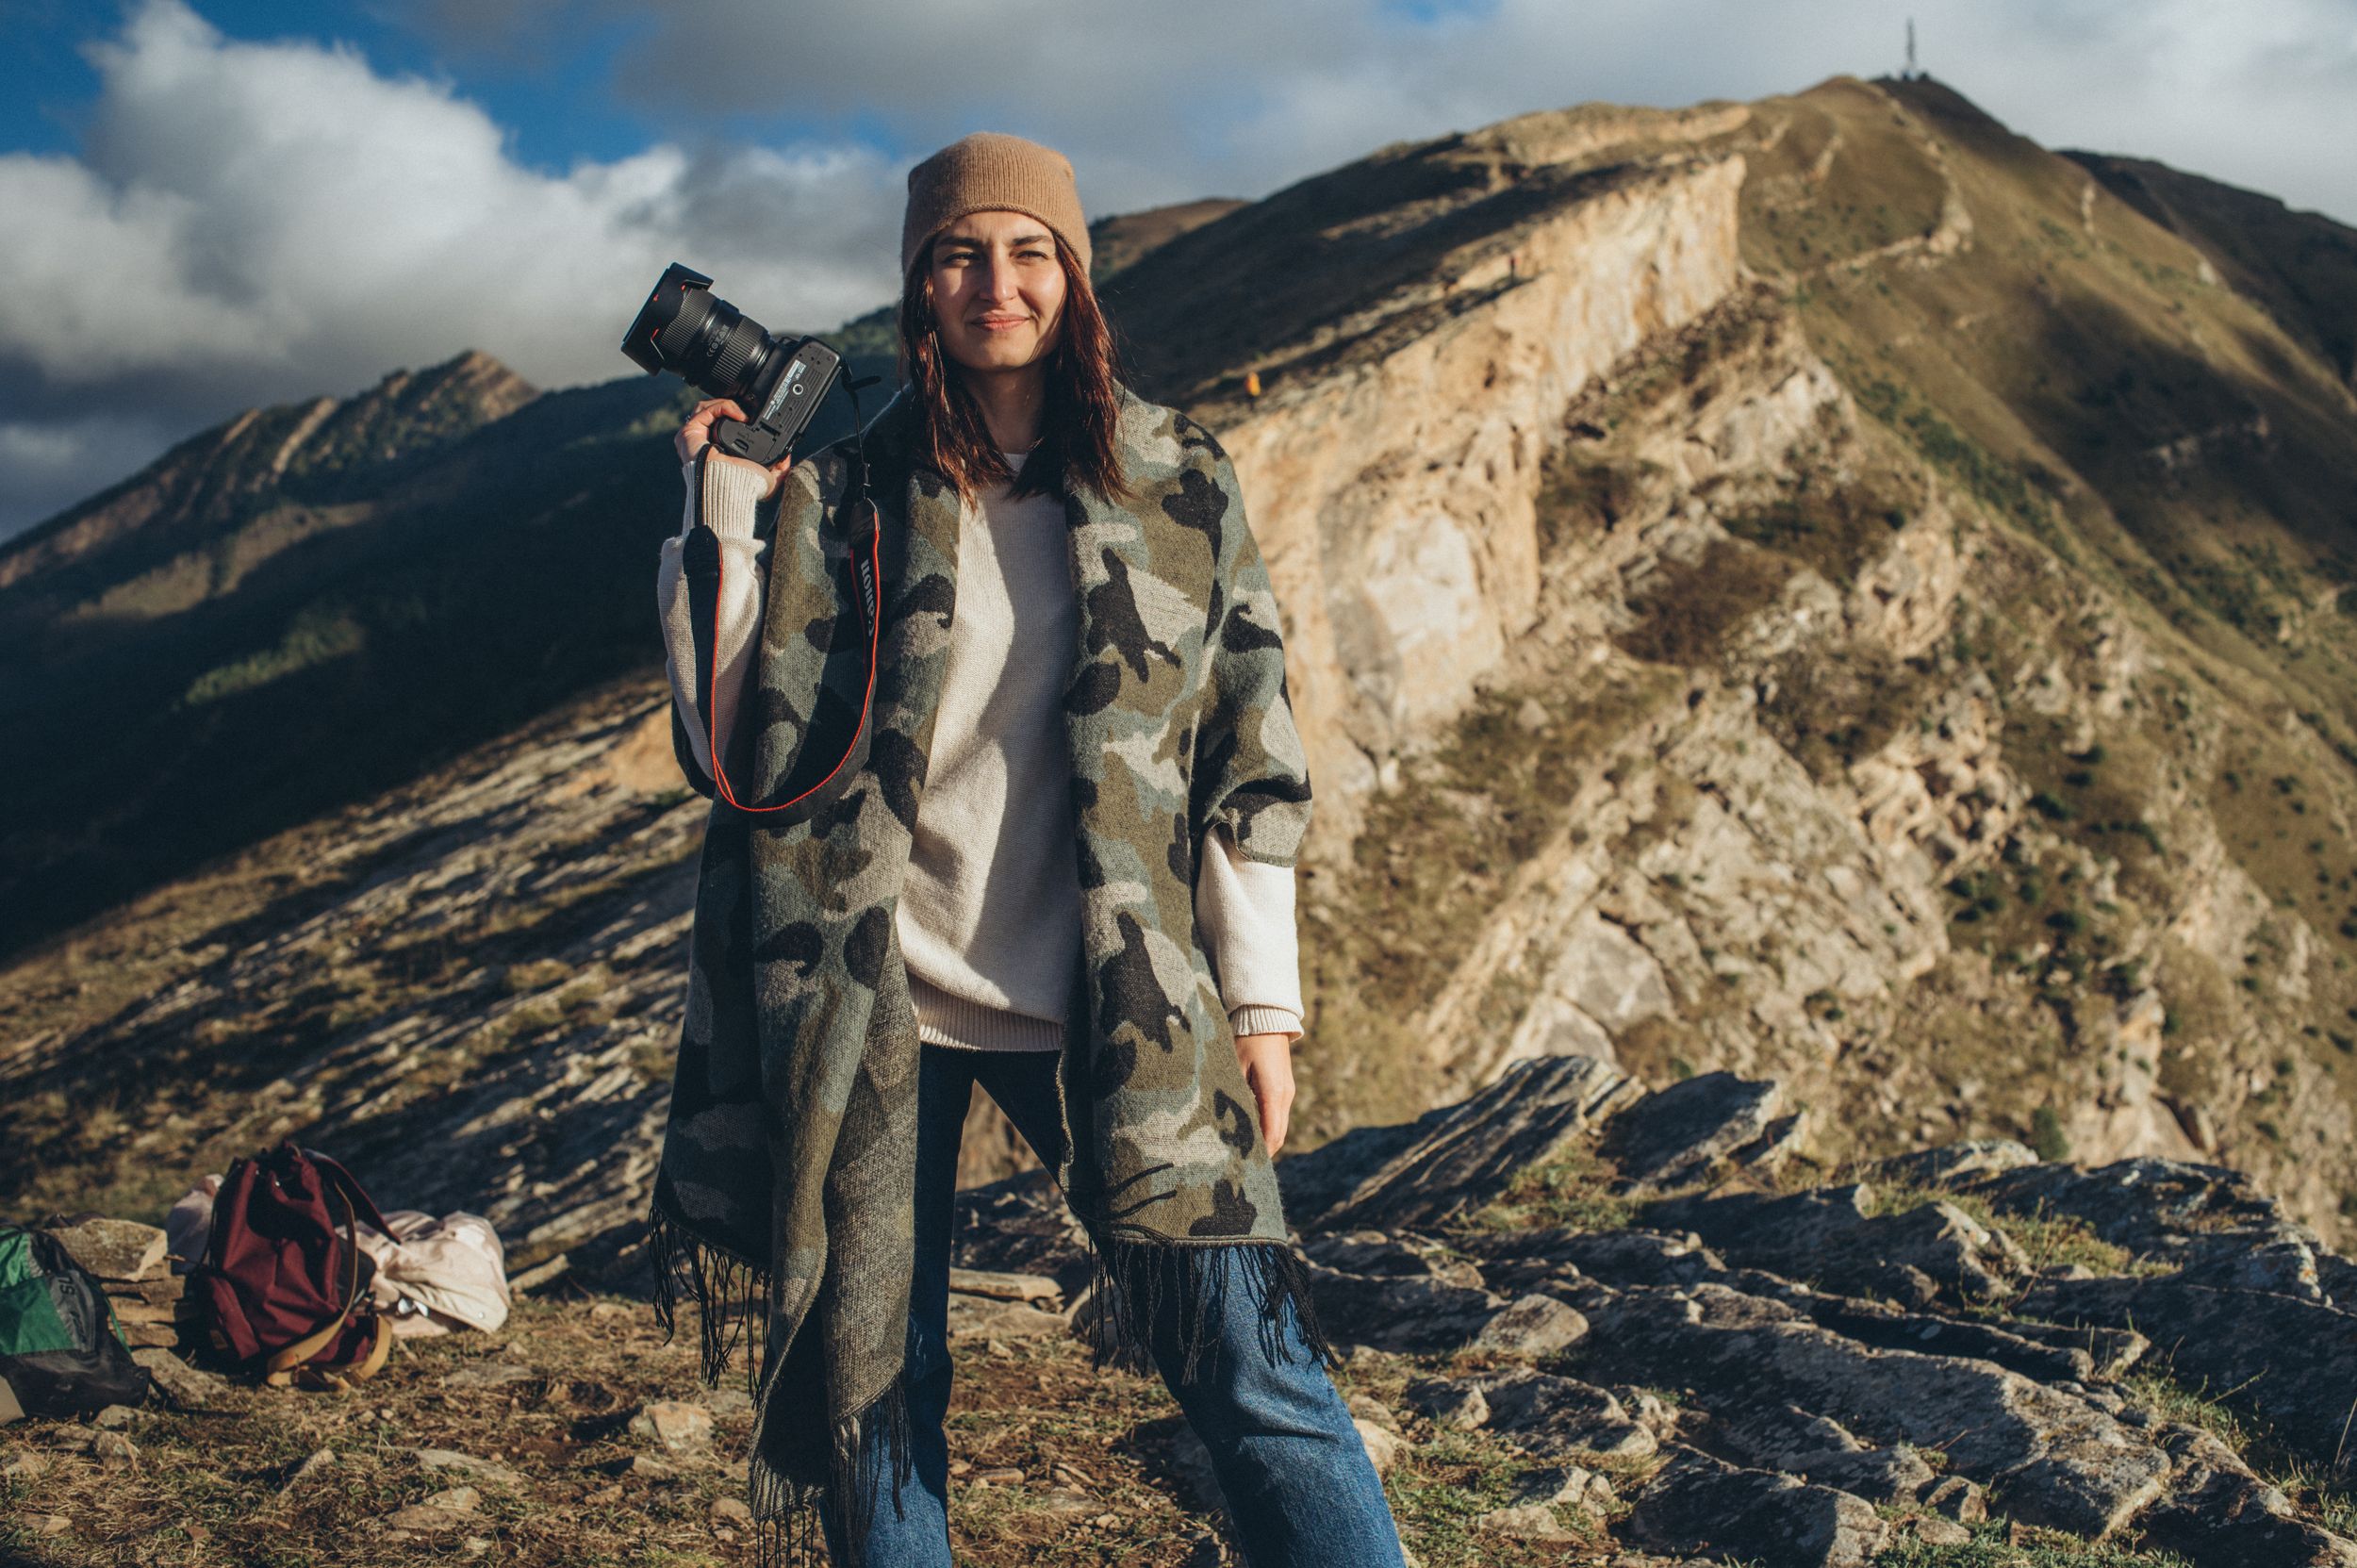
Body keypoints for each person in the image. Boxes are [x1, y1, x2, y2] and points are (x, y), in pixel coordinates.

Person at [651, 131, 1408, 1568]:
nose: (994, 281)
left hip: (1113, 994)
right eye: (957, 254)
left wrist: (1262, 1006)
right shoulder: (851, 478)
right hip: (879, 998)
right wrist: (730, 517)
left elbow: (1250, 746)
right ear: (917, 288)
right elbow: (728, 737)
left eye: (1027, 249)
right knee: (879, 1386)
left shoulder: (1174, 474)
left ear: (1074, 272)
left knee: (1246, 1357)